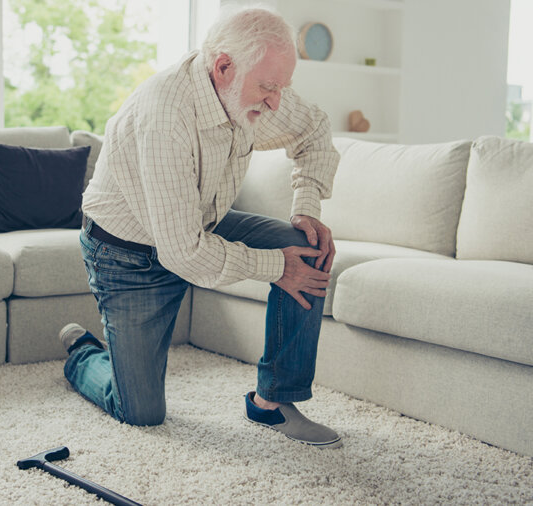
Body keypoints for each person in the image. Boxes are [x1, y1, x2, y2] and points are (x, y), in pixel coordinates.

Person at [59, 6, 342, 448]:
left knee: (302, 244)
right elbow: (183, 254)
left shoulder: (250, 95)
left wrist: (306, 207)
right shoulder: (166, 115)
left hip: (195, 224)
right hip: (127, 254)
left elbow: (315, 127)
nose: (275, 102)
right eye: (269, 87)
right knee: (141, 413)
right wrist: (275, 267)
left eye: (282, 87)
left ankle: (272, 402)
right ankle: (83, 355)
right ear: (224, 66)